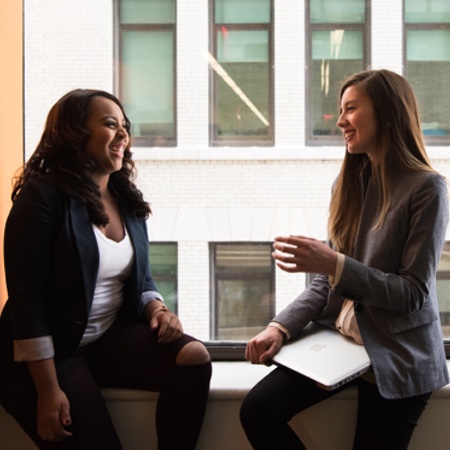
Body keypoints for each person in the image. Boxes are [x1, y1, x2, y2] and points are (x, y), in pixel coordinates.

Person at [240, 69, 449, 450]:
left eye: (351, 109)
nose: (339, 121)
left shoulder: (427, 188)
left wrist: (334, 264)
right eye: (341, 110)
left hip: (399, 354)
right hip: (345, 343)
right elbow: (327, 282)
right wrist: (280, 327)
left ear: (386, 113)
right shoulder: (349, 183)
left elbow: (413, 293)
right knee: (257, 410)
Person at [0, 89, 212, 450]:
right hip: (46, 360)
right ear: (74, 132)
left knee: (193, 359)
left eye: (125, 127)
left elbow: (139, 277)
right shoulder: (42, 197)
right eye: (110, 124)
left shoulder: (125, 199)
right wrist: (48, 391)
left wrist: (157, 308)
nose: (123, 135)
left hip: (101, 340)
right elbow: (27, 302)